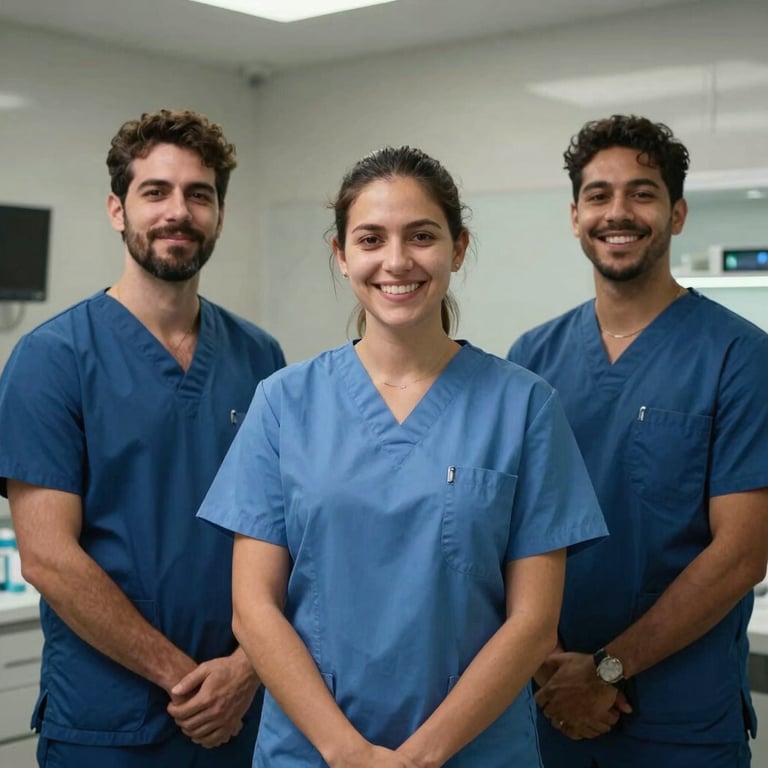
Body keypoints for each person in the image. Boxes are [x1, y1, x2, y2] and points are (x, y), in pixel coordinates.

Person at [196, 145, 607, 767]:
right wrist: (348, 753)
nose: (396, 261)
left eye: (421, 236)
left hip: (475, 751)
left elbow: (533, 624)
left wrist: (418, 759)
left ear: (457, 248)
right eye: (370, 238)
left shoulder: (523, 406)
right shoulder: (283, 402)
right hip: (313, 753)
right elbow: (254, 610)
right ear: (341, 255)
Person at [0, 108, 286, 767]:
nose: (177, 212)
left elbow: (288, 532)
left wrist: (246, 670)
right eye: (155, 192)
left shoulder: (259, 356)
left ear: (218, 213)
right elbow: (47, 557)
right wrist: (187, 681)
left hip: (243, 717)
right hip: (110, 725)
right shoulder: (53, 359)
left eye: (199, 194)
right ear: (117, 209)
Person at [507, 114, 768, 767]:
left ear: (676, 214)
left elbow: (741, 554)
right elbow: (505, 529)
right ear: (575, 216)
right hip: (548, 703)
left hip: (678, 713)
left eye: (642, 193)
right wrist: (544, 663)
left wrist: (608, 669)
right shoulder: (531, 356)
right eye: (599, 195)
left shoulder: (739, 356)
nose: (617, 212)